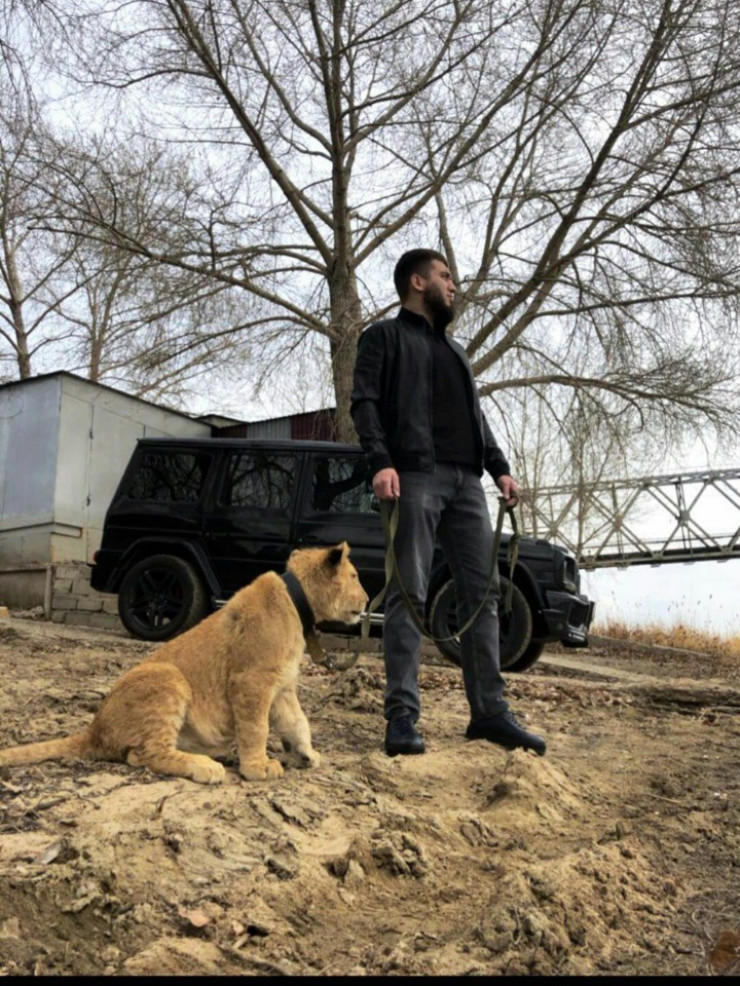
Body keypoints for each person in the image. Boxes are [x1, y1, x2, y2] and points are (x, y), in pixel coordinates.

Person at [350, 248, 546, 758]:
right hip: (415, 475)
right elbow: (364, 402)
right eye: (445, 275)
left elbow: (476, 417)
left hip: (467, 485)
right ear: (418, 282)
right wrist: (380, 462)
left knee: (483, 595)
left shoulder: (455, 351)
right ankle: (402, 717)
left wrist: (500, 468)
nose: (453, 284)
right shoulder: (383, 337)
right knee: (409, 595)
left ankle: (489, 714)